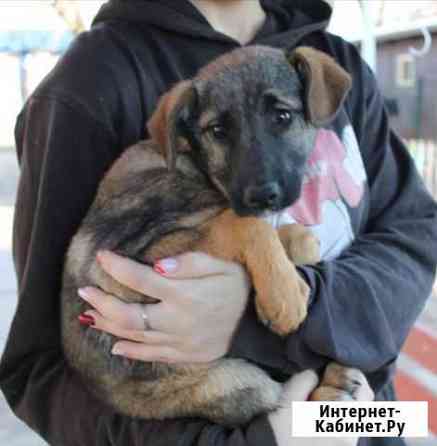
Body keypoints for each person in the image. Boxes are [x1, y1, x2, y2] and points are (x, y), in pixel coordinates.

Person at [0, 0, 435, 445]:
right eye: (220, 133)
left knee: (417, 422)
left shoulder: (339, 64)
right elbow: (36, 371)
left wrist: (258, 318)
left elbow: (417, 239)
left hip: (364, 417)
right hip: (218, 417)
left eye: (282, 117)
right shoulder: (89, 82)